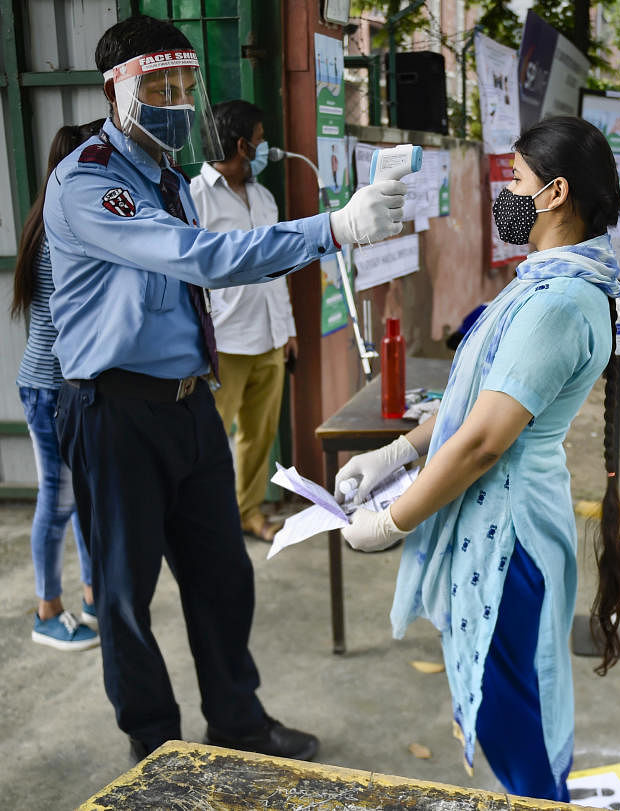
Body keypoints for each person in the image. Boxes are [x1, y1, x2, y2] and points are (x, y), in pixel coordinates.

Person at [43, 14, 406, 762]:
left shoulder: (169, 179)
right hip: (114, 413)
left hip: (188, 405)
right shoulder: (89, 182)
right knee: (124, 596)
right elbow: (200, 258)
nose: (178, 101)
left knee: (223, 576)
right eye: (160, 86)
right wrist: (332, 228)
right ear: (118, 91)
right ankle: (155, 748)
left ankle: (237, 719)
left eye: (185, 84)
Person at [334, 116, 620, 802]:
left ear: (554, 193)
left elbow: (482, 440)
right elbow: (474, 405)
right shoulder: (546, 280)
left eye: (516, 181)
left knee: (509, 711)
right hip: (502, 519)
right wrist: (398, 452)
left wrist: (394, 520)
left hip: (511, 534)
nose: (507, 194)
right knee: (506, 693)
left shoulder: (559, 300)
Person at [11, 120, 104, 652]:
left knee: (82, 494)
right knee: (60, 497)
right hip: (49, 387)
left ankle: (93, 596)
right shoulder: (61, 228)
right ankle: (47, 609)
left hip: (67, 385)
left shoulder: (53, 218)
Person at [191, 100, 296, 542]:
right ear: (240, 146)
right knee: (212, 441)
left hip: (270, 337)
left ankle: (247, 512)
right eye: (258, 139)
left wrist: (288, 329)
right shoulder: (194, 197)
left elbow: (278, 268)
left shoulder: (263, 197)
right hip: (226, 343)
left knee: (259, 436)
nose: (263, 146)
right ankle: (208, 522)